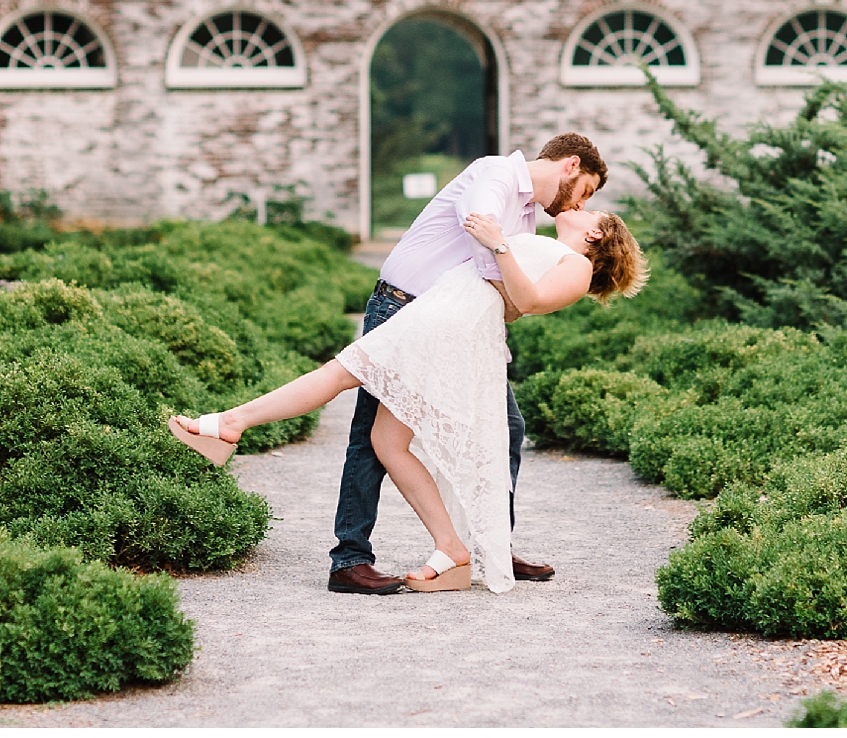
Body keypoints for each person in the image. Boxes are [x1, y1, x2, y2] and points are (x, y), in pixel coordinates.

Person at [168, 202, 647, 593]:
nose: (582, 207)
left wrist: (498, 243)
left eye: (593, 211)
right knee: (386, 440)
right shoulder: (545, 246)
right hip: (440, 317)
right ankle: (451, 548)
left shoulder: (577, 265)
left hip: (445, 329)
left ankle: (231, 423)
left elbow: (528, 303)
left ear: (597, 235)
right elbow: (508, 299)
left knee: (341, 373)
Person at [334, 133, 605, 594]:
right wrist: (511, 296)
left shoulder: (526, 215)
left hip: (450, 330)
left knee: (508, 426)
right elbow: (481, 238)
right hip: (402, 307)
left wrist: (508, 306)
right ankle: (349, 559)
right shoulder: (497, 173)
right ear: (571, 165)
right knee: (370, 434)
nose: (580, 204)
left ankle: (491, 546)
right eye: (587, 191)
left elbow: (505, 286)